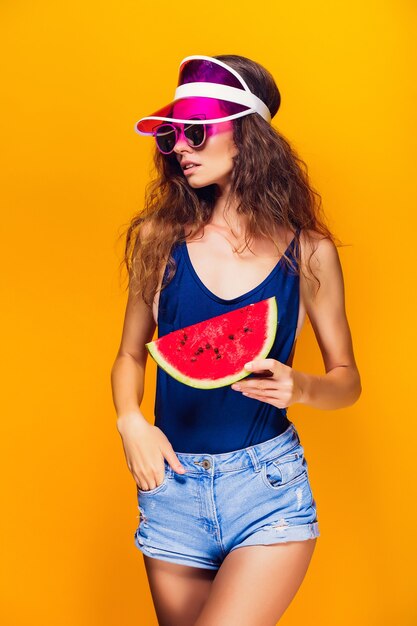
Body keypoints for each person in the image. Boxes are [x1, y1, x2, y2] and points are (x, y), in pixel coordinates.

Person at [111, 54, 362, 626]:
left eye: (196, 132)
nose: (180, 148)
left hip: (267, 489)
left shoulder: (310, 252)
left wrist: (301, 386)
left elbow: (348, 381)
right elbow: (130, 355)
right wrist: (131, 420)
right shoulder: (157, 239)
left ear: (246, 139)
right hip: (169, 487)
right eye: (173, 136)